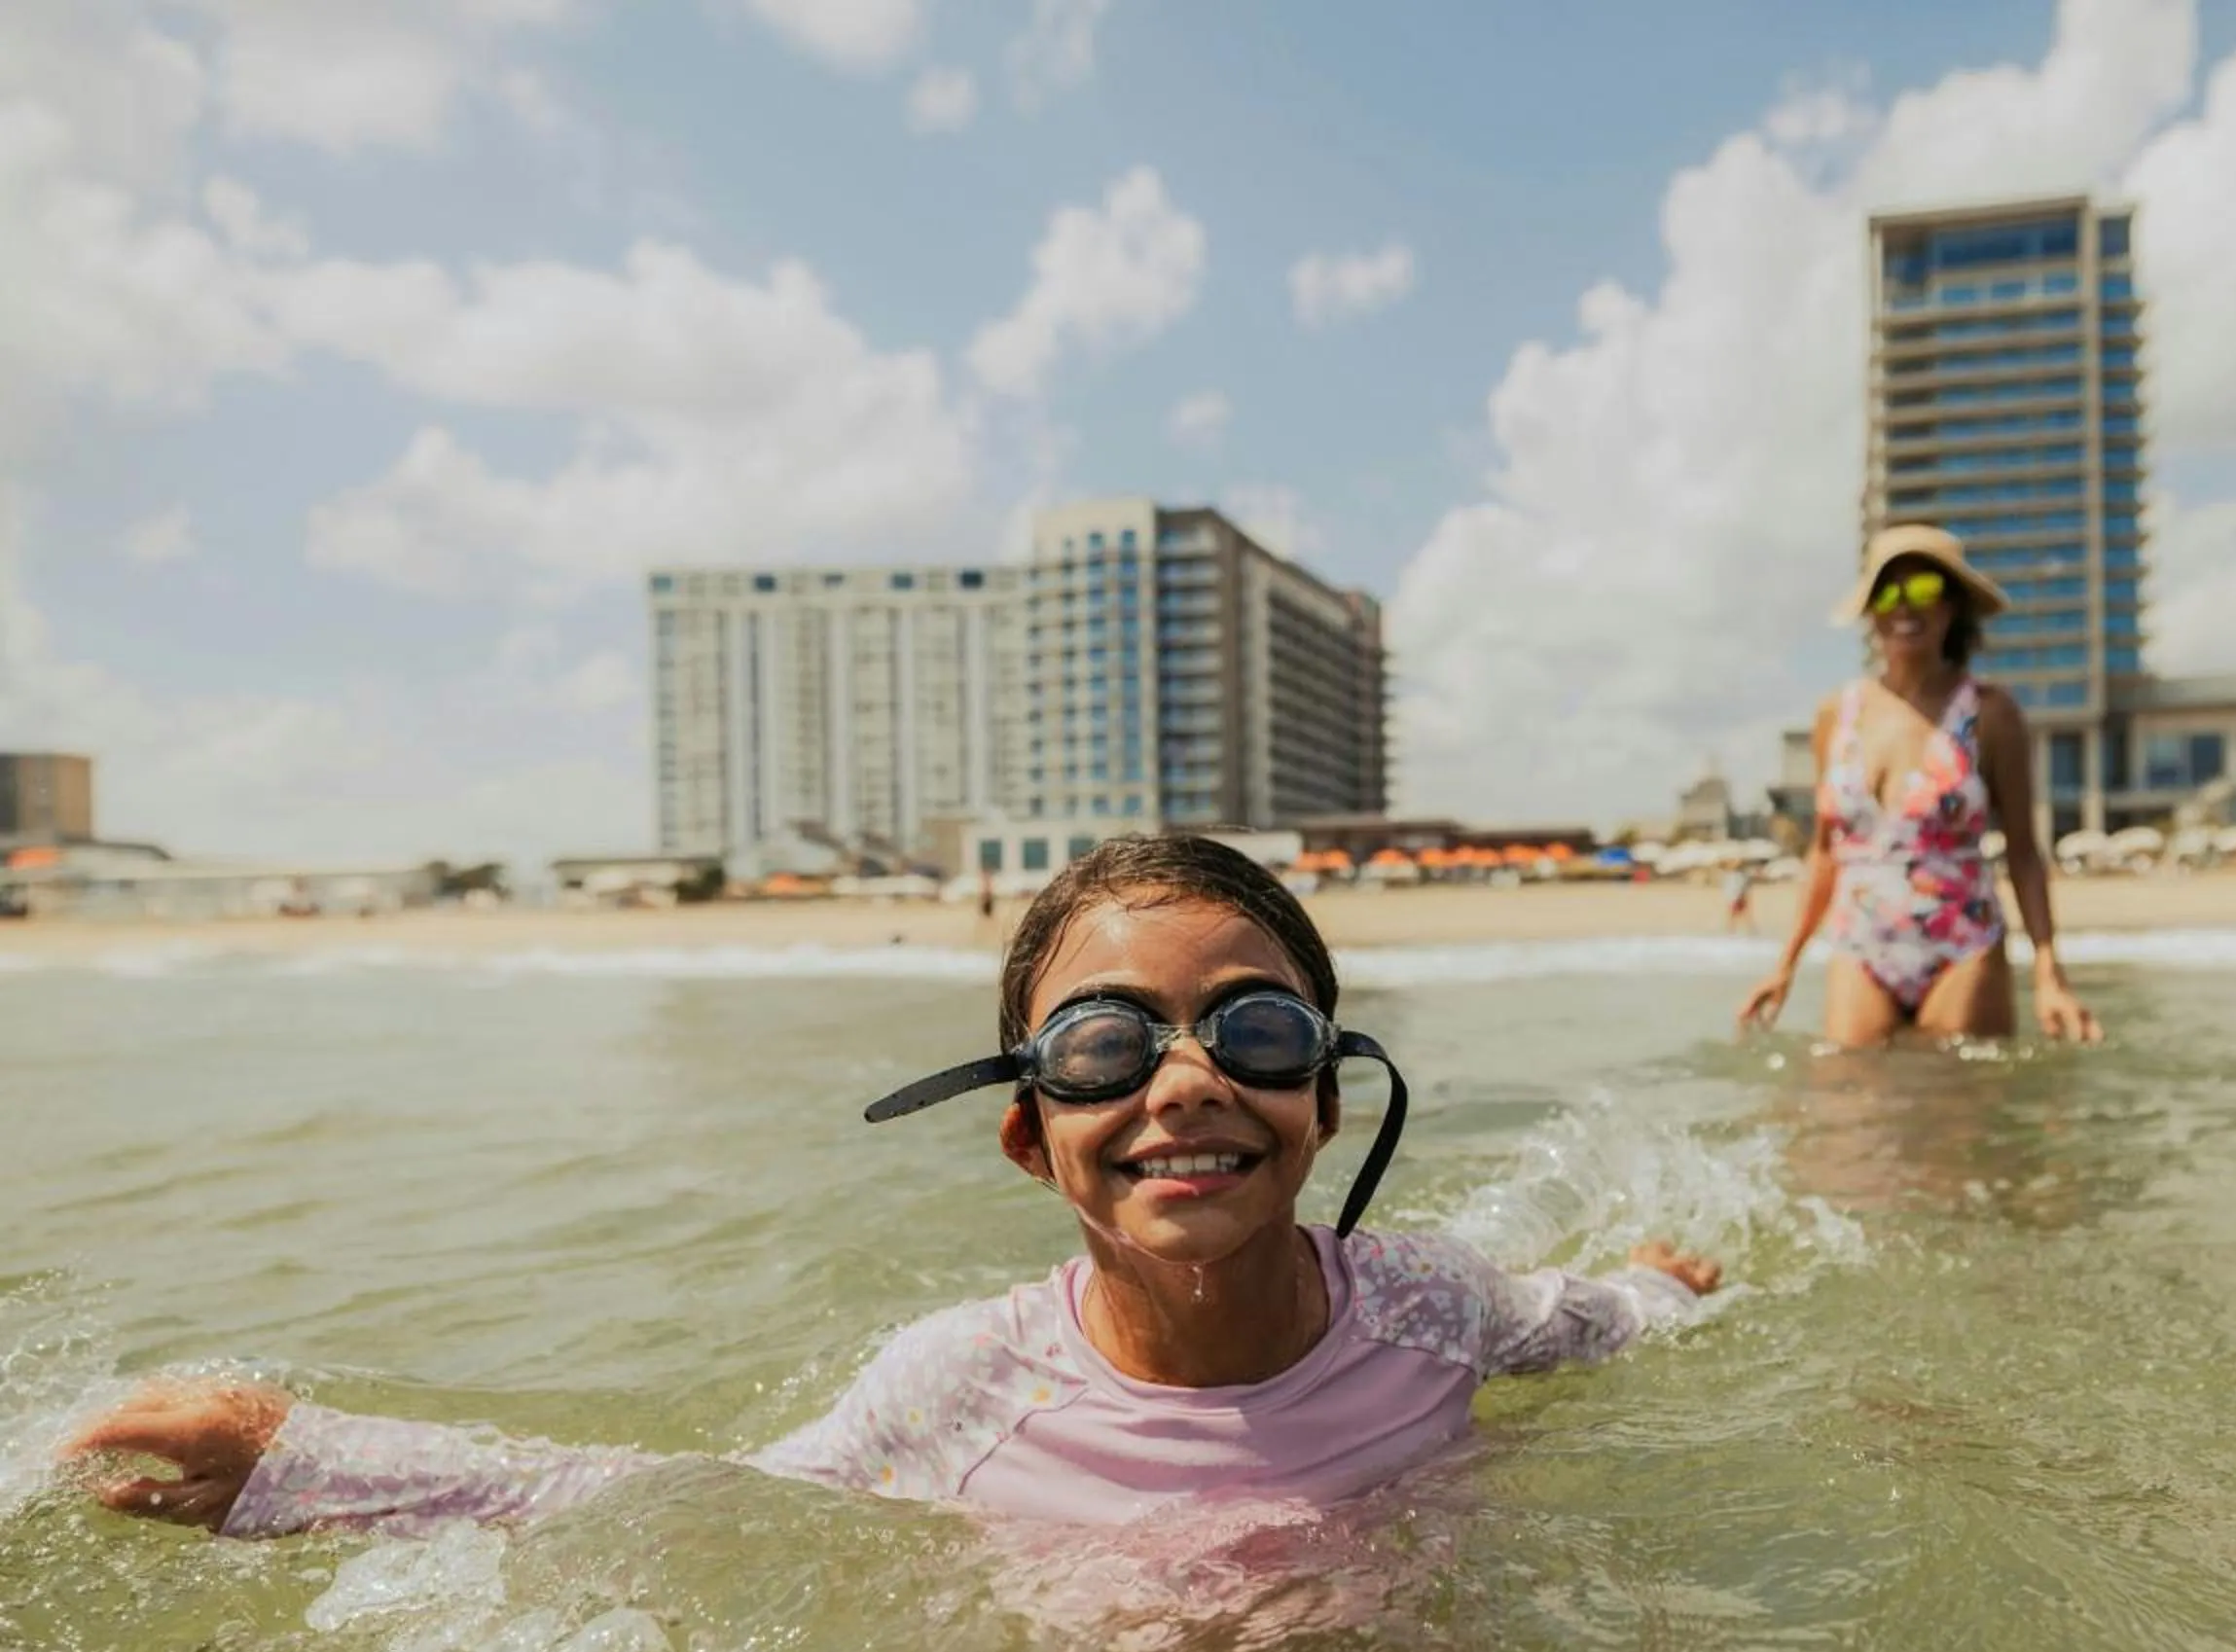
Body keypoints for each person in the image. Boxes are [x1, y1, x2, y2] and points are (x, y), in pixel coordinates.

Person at [62, 835, 1722, 1537]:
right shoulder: (963, 1390)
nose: (1186, 1083)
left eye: (1257, 1031)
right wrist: (304, 1463)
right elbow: (685, 1509)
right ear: (1028, 1136)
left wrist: (1662, 1286)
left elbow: (1585, 1321)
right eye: (1103, 1048)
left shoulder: (1431, 1309)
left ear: (1326, 1102)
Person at [1738, 524, 2101, 1048]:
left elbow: (2023, 853)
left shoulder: (1991, 714)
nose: (1904, 606)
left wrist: (2050, 973)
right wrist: (1784, 965)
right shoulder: (1836, 715)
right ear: (1871, 610)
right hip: (1861, 944)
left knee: (1954, 1094)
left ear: (1952, 606)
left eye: (1924, 589)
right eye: (1888, 593)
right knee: (1848, 1093)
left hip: (1964, 943)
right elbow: (1825, 851)